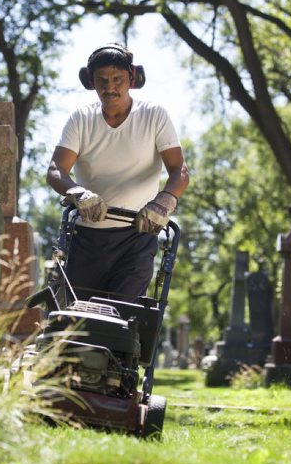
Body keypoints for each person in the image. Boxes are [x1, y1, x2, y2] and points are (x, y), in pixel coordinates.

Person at [46, 43, 189, 302]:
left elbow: (179, 169)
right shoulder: (81, 119)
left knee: (123, 315)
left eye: (117, 80)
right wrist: (77, 192)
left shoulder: (154, 116)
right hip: (87, 237)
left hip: (137, 235)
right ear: (91, 82)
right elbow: (56, 170)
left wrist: (164, 202)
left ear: (131, 79)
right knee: (78, 316)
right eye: (101, 80)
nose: (109, 87)